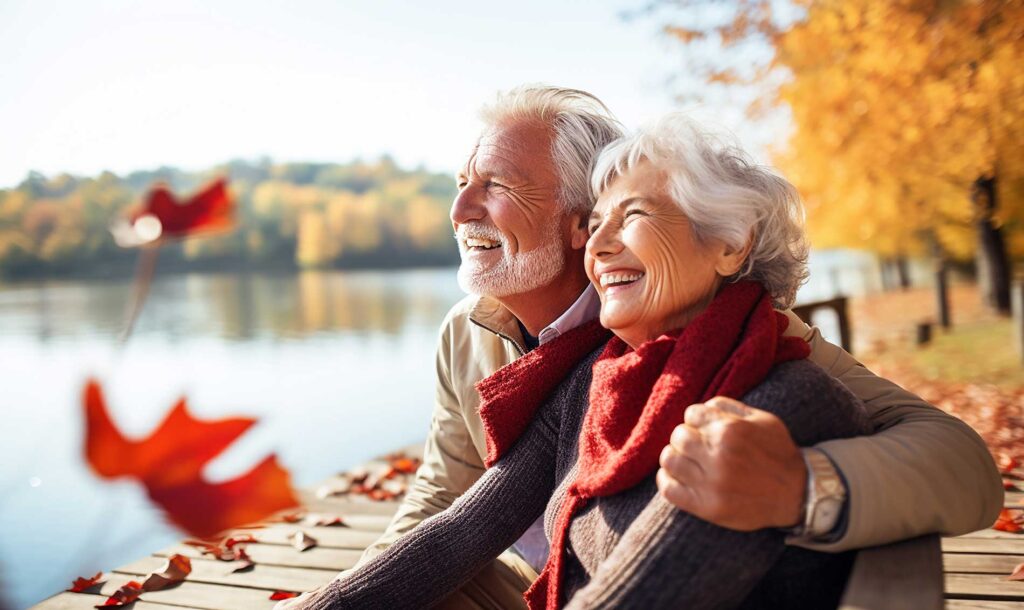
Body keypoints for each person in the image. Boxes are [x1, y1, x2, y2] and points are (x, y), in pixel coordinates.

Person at [279, 87, 1002, 610]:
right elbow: (452, 514)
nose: (459, 210)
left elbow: (961, 464)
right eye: (461, 184)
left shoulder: (765, 368)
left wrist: (802, 486)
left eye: (494, 185)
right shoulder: (560, 367)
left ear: (726, 245)